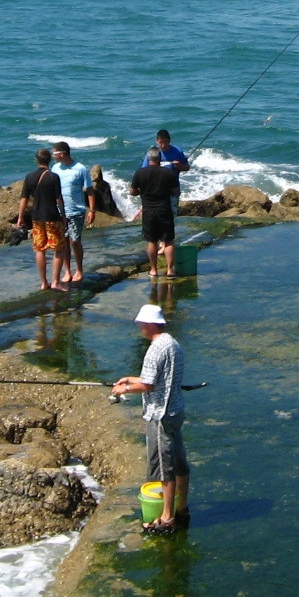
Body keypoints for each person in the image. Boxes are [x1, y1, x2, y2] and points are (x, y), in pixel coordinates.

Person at [111, 304, 189, 534]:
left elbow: (148, 385)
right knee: (180, 461)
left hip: (160, 414)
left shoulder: (155, 349)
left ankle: (167, 516)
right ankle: (182, 506)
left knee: (164, 467)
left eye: (142, 324)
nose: (141, 329)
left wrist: (123, 390)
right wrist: (129, 379)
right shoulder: (173, 344)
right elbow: (160, 378)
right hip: (176, 411)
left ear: (151, 324)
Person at [16, 148, 67, 291]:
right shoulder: (54, 177)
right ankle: (56, 282)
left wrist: (20, 217)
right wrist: (63, 216)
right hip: (52, 217)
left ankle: (44, 283)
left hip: (36, 218)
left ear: (37, 160)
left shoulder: (29, 177)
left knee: (40, 249)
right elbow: (58, 199)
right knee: (59, 249)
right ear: (49, 161)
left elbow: (24, 199)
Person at [50, 140, 97, 284]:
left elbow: (90, 190)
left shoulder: (80, 169)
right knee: (63, 242)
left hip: (76, 210)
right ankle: (67, 271)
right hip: (60, 212)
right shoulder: (55, 168)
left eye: (55, 153)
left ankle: (79, 269)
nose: (53, 155)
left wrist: (92, 210)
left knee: (75, 241)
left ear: (62, 154)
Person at [132, 147, 178, 279]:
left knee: (152, 241)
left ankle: (153, 270)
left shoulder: (140, 173)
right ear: (160, 159)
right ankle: (170, 270)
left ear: (148, 158)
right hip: (165, 210)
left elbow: (133, 191)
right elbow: (175, 191)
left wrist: (142, 191)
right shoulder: (168, 173)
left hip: (148, 211)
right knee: (168, 241)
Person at [148, 129, 189, 218]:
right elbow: (145, 170)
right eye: (160, 143)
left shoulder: (177, 151)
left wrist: (179, 166)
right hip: (157, 191)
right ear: (156, 141)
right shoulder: (153, 153)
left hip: (173, 190)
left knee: (172, 216)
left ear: (169, 140)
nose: (163, 145)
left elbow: (187, 167)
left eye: (165, 142)